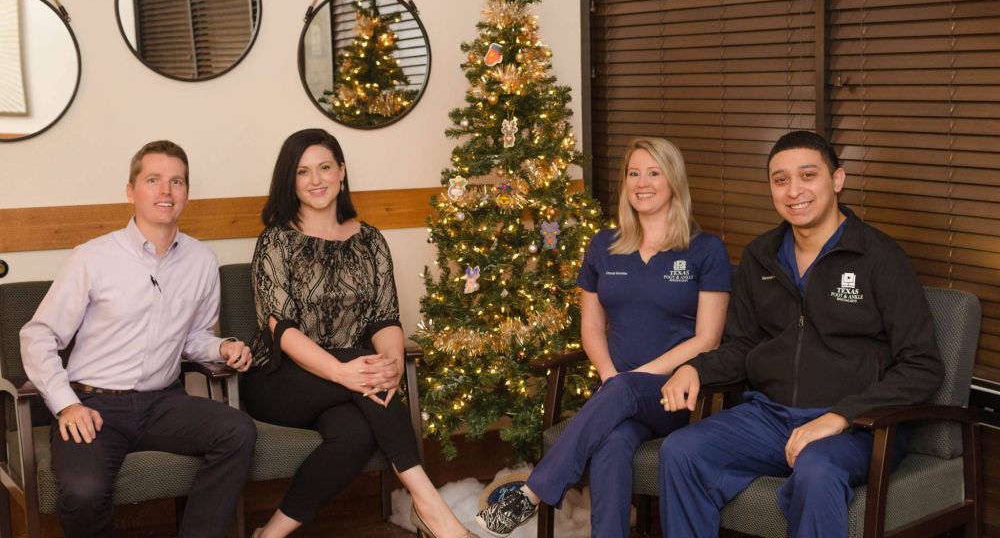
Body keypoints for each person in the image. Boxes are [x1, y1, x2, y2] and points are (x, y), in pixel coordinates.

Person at [659, 130, 943, 537]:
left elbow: (922, 365)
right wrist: (695, 369)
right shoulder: (760, 256)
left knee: (817, 469)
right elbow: (743, 345)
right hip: (770, 417)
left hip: (860, 428)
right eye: (781, 180)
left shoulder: (881, 258)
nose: (794, 191)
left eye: (808, 176)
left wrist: (840, 416)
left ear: (837, 180)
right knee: (681, 450)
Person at [475, 138, 731, 537]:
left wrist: (631, 380)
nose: (641, 183)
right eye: (633, 173)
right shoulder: (604, 246)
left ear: (674, 180)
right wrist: (612, 377)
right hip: (615, 393)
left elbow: (707, 340)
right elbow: (592, 327)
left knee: (623, 395)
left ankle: (532, 492)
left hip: (674, 394)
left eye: (654, 173)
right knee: (612, 445)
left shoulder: (705, 250)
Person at [242, 128, 478, 538]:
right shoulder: (276, 241)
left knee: (355, 435)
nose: (316, 180)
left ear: (342, 171)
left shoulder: (369, 240)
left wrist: (391, 366)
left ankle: (270, 533)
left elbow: (384, 319)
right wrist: (344, 371)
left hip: (350, 382)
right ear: (290, 181)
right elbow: (282, 330)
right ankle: (431, 507)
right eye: (302, 172)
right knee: (360, 364)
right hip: (279, 379)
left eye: (324, 167)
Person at [20, 140, 257, 538]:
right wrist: (67, 405)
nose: (166, 190)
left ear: (186, 193)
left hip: (163, 402)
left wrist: (222, 347)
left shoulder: (202, 261)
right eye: (153, 180)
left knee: (238, 432)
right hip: (94, 404)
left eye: (176, 181)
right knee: (83, 491)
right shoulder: (92, 257)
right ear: (131, 191)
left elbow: (193, 338)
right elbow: (37, 335)